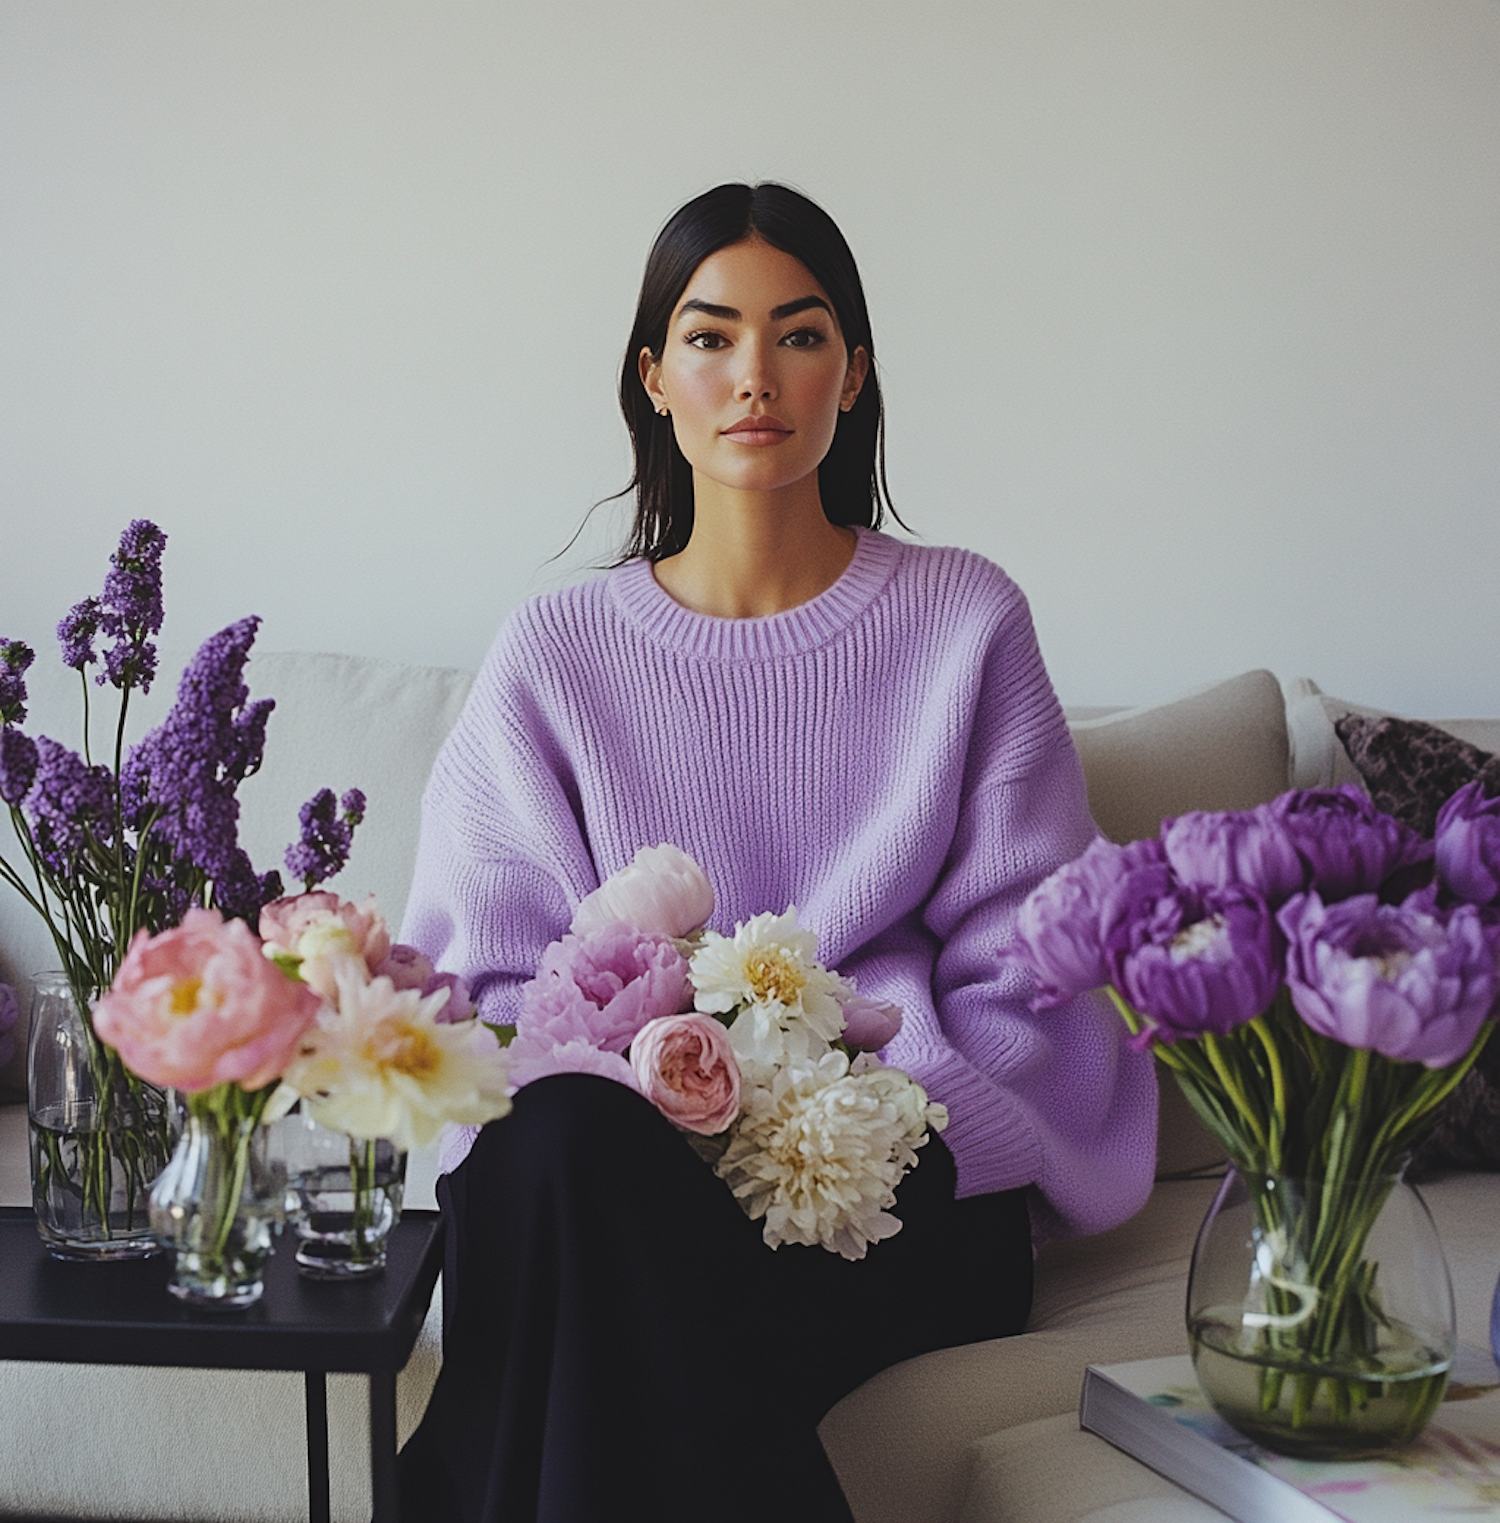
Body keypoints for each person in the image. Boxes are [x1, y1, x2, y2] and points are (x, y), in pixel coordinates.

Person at [396, 182, 1157, 1522]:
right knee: (567, 1140)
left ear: (853, 372)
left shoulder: (964, 621)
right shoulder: (555, 654)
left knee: (573, 1277)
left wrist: (874, 1115)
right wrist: (671, 1094)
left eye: (800, 335)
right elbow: (479, 1005)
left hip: (887, 1184)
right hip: (616, 1157)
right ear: (653, 376)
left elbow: (1038, 962)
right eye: (710, 336)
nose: (756, 376)